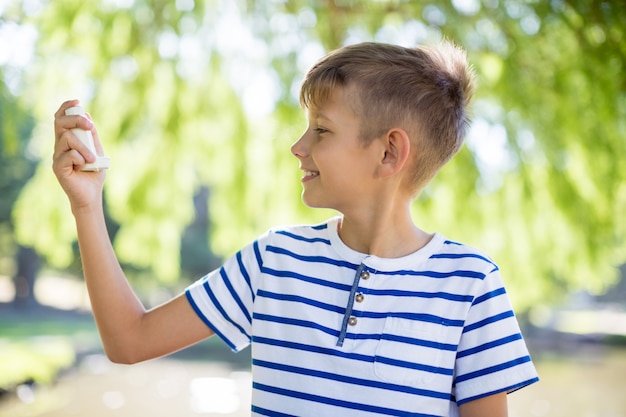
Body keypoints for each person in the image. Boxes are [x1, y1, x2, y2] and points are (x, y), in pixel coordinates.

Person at [53, 40, 539, 417]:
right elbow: (129, 340)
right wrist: (87, 208)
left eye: (321, 130)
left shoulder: (472, 284)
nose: (298, 147)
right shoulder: (274, 261)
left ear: (389, 152)